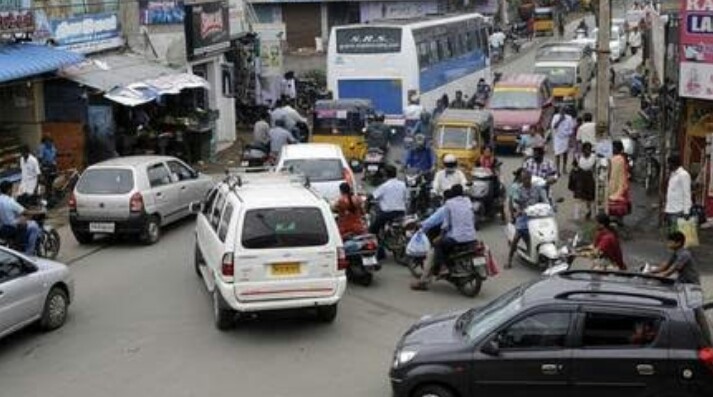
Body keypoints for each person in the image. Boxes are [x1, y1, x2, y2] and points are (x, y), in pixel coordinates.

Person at [412, 184, 476, 291]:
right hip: (471, 237)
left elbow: (445, 225)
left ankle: (442, 267)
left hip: (457, 238)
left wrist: (440, 236)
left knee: (437, 245)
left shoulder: (449, 204)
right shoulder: (468, 202)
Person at [507, 170, 549, 268]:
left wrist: (549, 206)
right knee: (517, 237)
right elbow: (515, 203)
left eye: (527, 178)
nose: (526, 180)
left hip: (537, 216)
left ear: (530, 178)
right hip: (524, 217)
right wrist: (518, 210)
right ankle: (509, 259)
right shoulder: (518, 190)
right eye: (524, 178)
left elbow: (545, 200)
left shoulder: (537, 189)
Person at [369, 166, 408, 251]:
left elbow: (373, 196)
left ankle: (379, 249)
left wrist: (367, 200)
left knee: (372, 230)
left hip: (387, 214)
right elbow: (406, 198)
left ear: (385, 175)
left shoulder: (384, 186)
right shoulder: (402, 184)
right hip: (401, 212)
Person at [0, 181, 41, 256]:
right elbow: (25, 212)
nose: (12, 190)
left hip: (3, 229)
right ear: (9, 190)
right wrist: (38, 212)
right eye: (12, 188)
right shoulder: (10, 201)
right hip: (14, 227)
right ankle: (29, 253)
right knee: (34, 226)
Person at [664, 154, 692, 231]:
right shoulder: (672, 175)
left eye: (669, 164)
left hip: (678, 211)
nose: (668, 166)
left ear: (674, 164)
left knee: (676, 234)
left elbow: (687, 193)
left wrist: (687, 211)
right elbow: (670, 194)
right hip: (670, 209)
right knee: (671, 233)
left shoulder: (683, 175)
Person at [572, 142, 596, 220]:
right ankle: (577, 215)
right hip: (580, 178)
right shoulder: (578, 157)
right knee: (578, 197)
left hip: (590, 178)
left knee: (590, 198)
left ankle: (589, 211)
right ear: (583, 150)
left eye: (589, 150)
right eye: (586, 150)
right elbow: (574, 167)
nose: (587, 152)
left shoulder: (594, 157)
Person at [551, 106, 575, 174]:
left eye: (563, 110)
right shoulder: (555, 117)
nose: (562, 112)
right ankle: (557, 169)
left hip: (565, 137)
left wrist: (570, 138)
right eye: (561, 110)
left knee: (565, 153)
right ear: (559, 111)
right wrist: (560, 120)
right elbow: (554, 126)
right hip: (557, 138)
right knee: (557, 154)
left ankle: (564, 168)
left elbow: (571, 128)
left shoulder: (569, 118)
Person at [37, 136, 58, 201]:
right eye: (47, 142)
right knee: (47, 182)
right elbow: (40, 158)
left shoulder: (53, 147)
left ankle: (51, 195)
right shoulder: (42, 147)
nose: (50, 143)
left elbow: (55, 155)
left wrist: (54, 163)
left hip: (52, 166)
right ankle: (47, 196)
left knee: (52, 181)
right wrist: (42, 166)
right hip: (46, 167)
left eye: (51, 142)